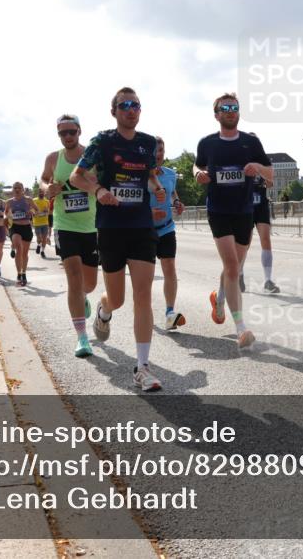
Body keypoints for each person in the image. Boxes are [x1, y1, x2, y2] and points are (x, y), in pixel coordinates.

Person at [70, 87, 166, 391]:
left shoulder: (148, 143)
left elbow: (148, 173)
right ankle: (104, 309)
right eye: (124, 105)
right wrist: (98, 191)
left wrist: (156, 186)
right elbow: (75, 176)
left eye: (135, 105)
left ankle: (142, 367)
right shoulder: (103, 141)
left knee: (143, 296)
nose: (131, 109)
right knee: (119, 299)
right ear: (114, 111)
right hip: (110, 227)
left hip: (140, 226)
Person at [194, 93, 273, 349]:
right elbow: (197, 166)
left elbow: (270, 174)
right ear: (216, 114)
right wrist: (199, 174)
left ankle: (218, 297)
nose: (230, 111)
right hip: (218, 210)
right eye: (225, 108)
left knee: (235, 267)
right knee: (230, 266)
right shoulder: (207, 143)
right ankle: (241, 327)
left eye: (234, 107)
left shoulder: (251, 142)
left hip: (244, 211)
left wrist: (256, 167)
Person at [40, 114, 100, 358]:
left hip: (92, 226)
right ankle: (82, 337)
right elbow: (44, 180)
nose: (67, 137)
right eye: (62, 133)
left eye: (71, 132)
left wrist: (97, 181)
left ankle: (84, 296)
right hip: (65, 226)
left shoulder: (92, 155)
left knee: (90, 283)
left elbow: (106, 179)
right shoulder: (54, 158)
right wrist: (47, 189)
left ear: (79, 131)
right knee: (73, 279)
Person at [151, 136, 187, 330]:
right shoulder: (140, 176)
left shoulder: (170, 174)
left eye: (162, 151)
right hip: (144, 230)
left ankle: (169, 312)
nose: (159, 155)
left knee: (170, 268)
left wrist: (177, 204)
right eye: (155, 151)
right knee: (145, 275)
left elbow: (173, 193)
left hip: (166, 227)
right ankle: (143, 309)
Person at [241, 150, 280, 294]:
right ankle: (239, 274)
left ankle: (268, 280)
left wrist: (264, 176)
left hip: (261, 205)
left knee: (266, 238)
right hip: (245, 206)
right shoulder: (241, 164)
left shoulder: (263, 163)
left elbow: (270, 184)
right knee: (245, 243)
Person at [5, 182, 36, 287]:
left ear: (22, 189)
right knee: (19, 247)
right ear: (13, 190)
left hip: (26, 227)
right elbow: (6, 213)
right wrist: (7, 216)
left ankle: (23, 273)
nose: (17, 190)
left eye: (19, 188)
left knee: (24, 253)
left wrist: (31, 211)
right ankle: (18, 274)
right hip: (15, 227)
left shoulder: (28, 200)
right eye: (15, 188)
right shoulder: (9, 202)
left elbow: (36, 210)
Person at [32, 187, 52, 257]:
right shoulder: (34, 200)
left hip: (45, 223)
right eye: (40, 192)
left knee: (44, 238)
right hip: (37, 223)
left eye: (43, 192)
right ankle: (38, 245)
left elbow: (48, 211)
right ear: (38, 193)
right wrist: (34, 213)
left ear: (44, 193)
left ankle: (42, 251)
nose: (41, 193)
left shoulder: (47, 201)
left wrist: (46, 211)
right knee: (39, 238)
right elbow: (31, 210)